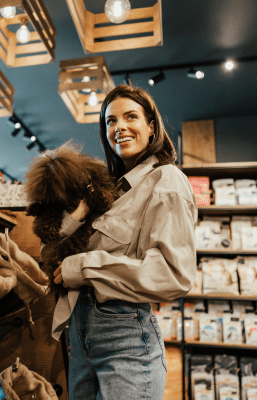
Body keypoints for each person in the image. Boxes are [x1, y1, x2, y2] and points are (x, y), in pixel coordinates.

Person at [47, 85, 197, 399]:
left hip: (125, 337)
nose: (120, 127)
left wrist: (86, 268)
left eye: (131, 117)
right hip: (81, 333)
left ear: (151, 126)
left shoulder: (166, 179)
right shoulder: (112, 191)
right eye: (110, 121)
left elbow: (174, 273)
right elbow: (54, 248)